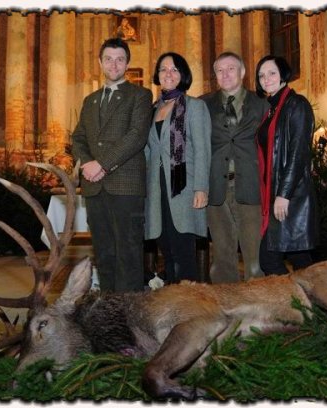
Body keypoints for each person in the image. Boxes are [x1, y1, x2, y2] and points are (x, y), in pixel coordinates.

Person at [71, 37, 153, 293]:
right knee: (104, 252)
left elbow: (136, 136)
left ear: (127, 63)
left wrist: (103, 165)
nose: (114, 64)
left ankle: (129, 311)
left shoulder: (140, 95)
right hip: (94, 188)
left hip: (125, 186)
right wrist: (87, 163)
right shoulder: (90, 100)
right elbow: (78, 138)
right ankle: (107, 306)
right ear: (100, 62)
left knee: (128, 253)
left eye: (119, 59)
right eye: (108, 59)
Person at [200, 52, 269, 283]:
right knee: (222, 256)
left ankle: (256, 302)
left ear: (243, 72)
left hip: (250, 185)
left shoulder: (261, 104)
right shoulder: (203, 105)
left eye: (231, 68)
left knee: (254, 257)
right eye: (220, 70)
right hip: (216, 188)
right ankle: (226, 300)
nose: (225, 74)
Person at [144, 52, 211, 284]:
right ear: (157, 75)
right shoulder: (153, 109)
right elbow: (149, 151)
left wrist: (201, 188)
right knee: (167, 253)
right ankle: (173, 300)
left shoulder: (195, 106)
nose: (168, 73)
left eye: (174, 69)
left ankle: (189, 303)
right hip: (157, 189)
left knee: (184, 254)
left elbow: (202, 150)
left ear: (183, 74)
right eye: (163, 69)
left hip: (184, 189)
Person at [254, 55, 319, 275]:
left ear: (283, 74)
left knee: (269, 260)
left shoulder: (297, 104)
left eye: (272, 73)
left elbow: (298, 153)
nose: (266, 79)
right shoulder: (272, 110)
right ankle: (310, 296)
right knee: (301, 260)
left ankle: (295, 295)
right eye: (261, 75)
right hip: (278, 195)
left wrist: (284, 194)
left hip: (290, 197)